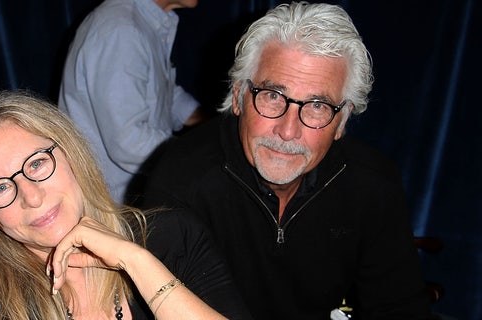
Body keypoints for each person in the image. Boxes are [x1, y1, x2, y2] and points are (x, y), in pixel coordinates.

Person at [137, 2, 433, 319]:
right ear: (238, 97)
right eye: (273, 95)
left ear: (342, 121)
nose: (288, 130)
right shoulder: (180, 181)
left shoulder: (372, 185)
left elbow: (400, 309)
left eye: (317, 105)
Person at [0, 90, 252, 319]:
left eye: (36, 164)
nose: (32, 197)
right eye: (1, 188)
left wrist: (135, 261)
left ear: (71, 155)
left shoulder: (174, 237)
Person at [58, 0, 212, 204]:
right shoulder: (121, 29)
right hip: (115, 209)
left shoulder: (139, 21)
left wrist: (213, 125)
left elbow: (164, 94)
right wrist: (205, 156)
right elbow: (128, 141)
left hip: (127, 202)